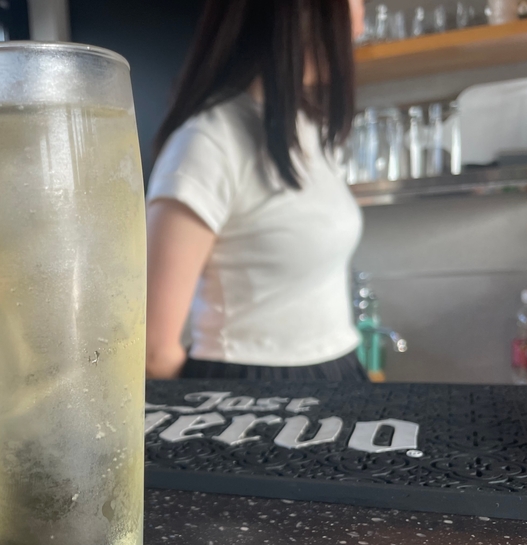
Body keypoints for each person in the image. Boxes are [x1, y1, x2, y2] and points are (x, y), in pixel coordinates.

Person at [145, 0, 369, 381]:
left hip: (339, 371)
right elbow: (154, 351)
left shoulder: (310, 129)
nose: (361, 23)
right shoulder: (208, 142)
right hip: (252, 387)